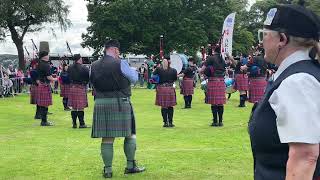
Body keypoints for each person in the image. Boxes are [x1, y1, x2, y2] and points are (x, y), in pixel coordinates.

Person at [249, 3, 320, 180]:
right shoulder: (297, 75)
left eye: (264, 35)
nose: (261, 41)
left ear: (282, 39)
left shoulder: (297, 82)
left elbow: (304, 157)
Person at [90, 39, 145, 178]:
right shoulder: (121, 63)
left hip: (101, 103)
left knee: (107, 138)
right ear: (115, 50)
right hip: (120, 102)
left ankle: (108, 170)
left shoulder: (94, 65)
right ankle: (131, 166)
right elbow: (134, 79)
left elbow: (92, 82)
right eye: (118, 51)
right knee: (130, 134)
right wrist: (133, 71)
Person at [201, 44, 226, 127]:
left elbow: (202, 69)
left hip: (213, 80)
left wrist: (200, 71)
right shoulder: (222, 59)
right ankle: (221, 121)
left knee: (214, 103)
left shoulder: (211, 58)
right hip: (221, 81)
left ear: (214, 50)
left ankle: (215, 121)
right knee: (220, 103)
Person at [153, 58, 177, 127]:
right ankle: (170, 122)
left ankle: (165, 122)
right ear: (169, 62)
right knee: (170, 106)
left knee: (163, 106)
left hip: (161, 89)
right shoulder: (174, 70)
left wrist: (156, 84)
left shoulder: (158, 69)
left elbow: (153, 78)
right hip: (170, 89)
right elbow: (175, 79)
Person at [67, 54, 90, 128]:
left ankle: (74, 124)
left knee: (73, 107)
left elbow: (68, 77)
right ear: (79, 59)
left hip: (72, 87)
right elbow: (88, 78)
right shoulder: (84, 68)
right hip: (81, 87)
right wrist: (85, 83)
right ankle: (82, 124)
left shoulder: (69, 67)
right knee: (80, 107)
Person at [36, 51, 57, 126]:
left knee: (42, 104)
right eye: (48, 55)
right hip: (45, 85)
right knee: (45, 104)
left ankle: (43, 120)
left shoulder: (38, 64)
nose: (49, 56)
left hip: (41, 84)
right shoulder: (46, 65)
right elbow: (49, 77)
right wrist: (56, 79)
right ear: (44, 56)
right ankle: (44, 121)